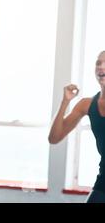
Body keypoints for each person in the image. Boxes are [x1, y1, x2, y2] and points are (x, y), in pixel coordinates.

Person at [49, 50, 105, 203]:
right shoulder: (87, 104)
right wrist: (65, 101)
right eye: (98, 63)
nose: (101, 67)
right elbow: (54, 138)